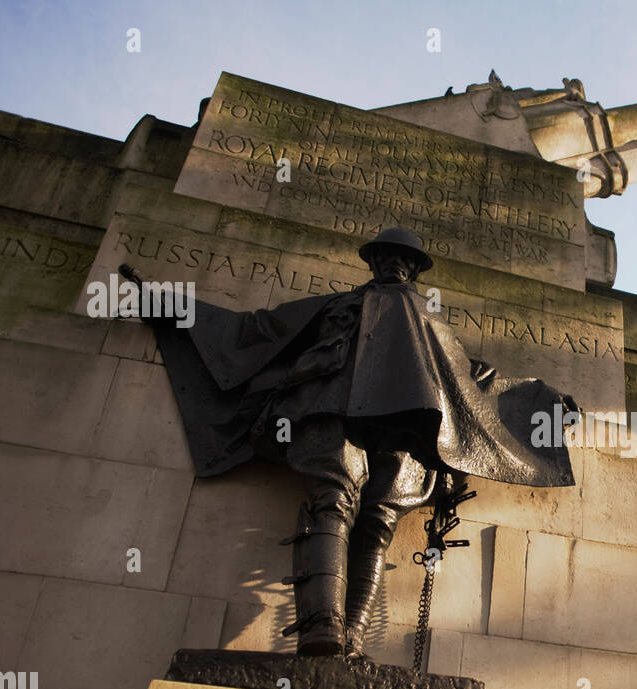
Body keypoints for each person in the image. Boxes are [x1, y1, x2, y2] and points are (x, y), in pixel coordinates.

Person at [136, 227, 578, 658]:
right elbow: (256, 333)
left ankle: (353, 639)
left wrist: (544, 403)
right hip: (330, 409)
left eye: (403, 260)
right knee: (331, 497)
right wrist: (171, 307)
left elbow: (469, 379)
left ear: (415, 270)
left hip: (405, 429)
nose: (394, 265)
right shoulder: (338, 306)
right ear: (371, 261)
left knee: (380, 521)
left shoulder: (428, 318)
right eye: (386, 256)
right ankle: (321, 625)